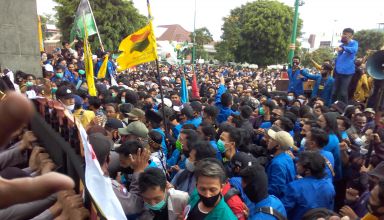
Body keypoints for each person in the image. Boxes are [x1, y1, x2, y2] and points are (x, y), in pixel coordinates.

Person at [281, 151, 335, 220]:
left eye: (299, 164)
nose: (296, 164)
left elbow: (283, 210)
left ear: (308, 171)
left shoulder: (294, 187)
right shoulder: (330, 186)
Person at [265, 129, 296, 199]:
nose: (269, 140)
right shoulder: (287, 157)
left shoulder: (277, 164)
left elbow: (276, 189)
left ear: (278, 146)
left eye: (272, 139)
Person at [332, 28, 359, 104]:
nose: (344, 36)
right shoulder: (341, 45)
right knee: (334, 92)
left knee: (343, 93)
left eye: (346, 35)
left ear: (351, 36)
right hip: (338, 72)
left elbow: (354, 50)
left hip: (347, 72)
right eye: (343, 34)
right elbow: (339, 58)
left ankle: (345, 109)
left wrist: (343, 48)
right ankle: (333, 107)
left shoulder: (354, 43)